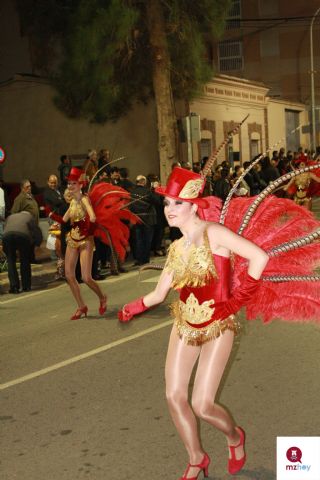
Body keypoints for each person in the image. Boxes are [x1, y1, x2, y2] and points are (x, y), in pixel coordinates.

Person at [118, 167, 269, 478]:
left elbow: (259, 258)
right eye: (167, 204)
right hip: (184, 324)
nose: (170, 211)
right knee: (173, 396)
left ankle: (234, 437)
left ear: (194, 204)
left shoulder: (215, 234)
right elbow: (160, 294)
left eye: (177, 204)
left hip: (218, 325)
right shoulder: (176, 248)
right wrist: (133, 307)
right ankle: (196, 457)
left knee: (202, 404)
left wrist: (236, 302)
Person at [61, 167, 107, 319]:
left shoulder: (84, 199)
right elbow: (65, 219)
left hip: (86, 240)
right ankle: (81, 306)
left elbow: (93, 216)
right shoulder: (72, 201)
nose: (70, 186)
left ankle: (102, 297)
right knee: (69, 275)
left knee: (86, 278)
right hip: (73, 239)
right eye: (69, 184)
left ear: (80, 185)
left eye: (73, 183)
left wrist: (88, 222)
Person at [2, 211, 43, 293]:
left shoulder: (11, 217)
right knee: (24, 260)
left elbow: (5, 228)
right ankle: (26, 286)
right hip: (23, 237)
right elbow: (36, 232)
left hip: (7, 236)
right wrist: (37, 244)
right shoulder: (30, 217)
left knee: (11, 261)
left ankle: (14, 287)